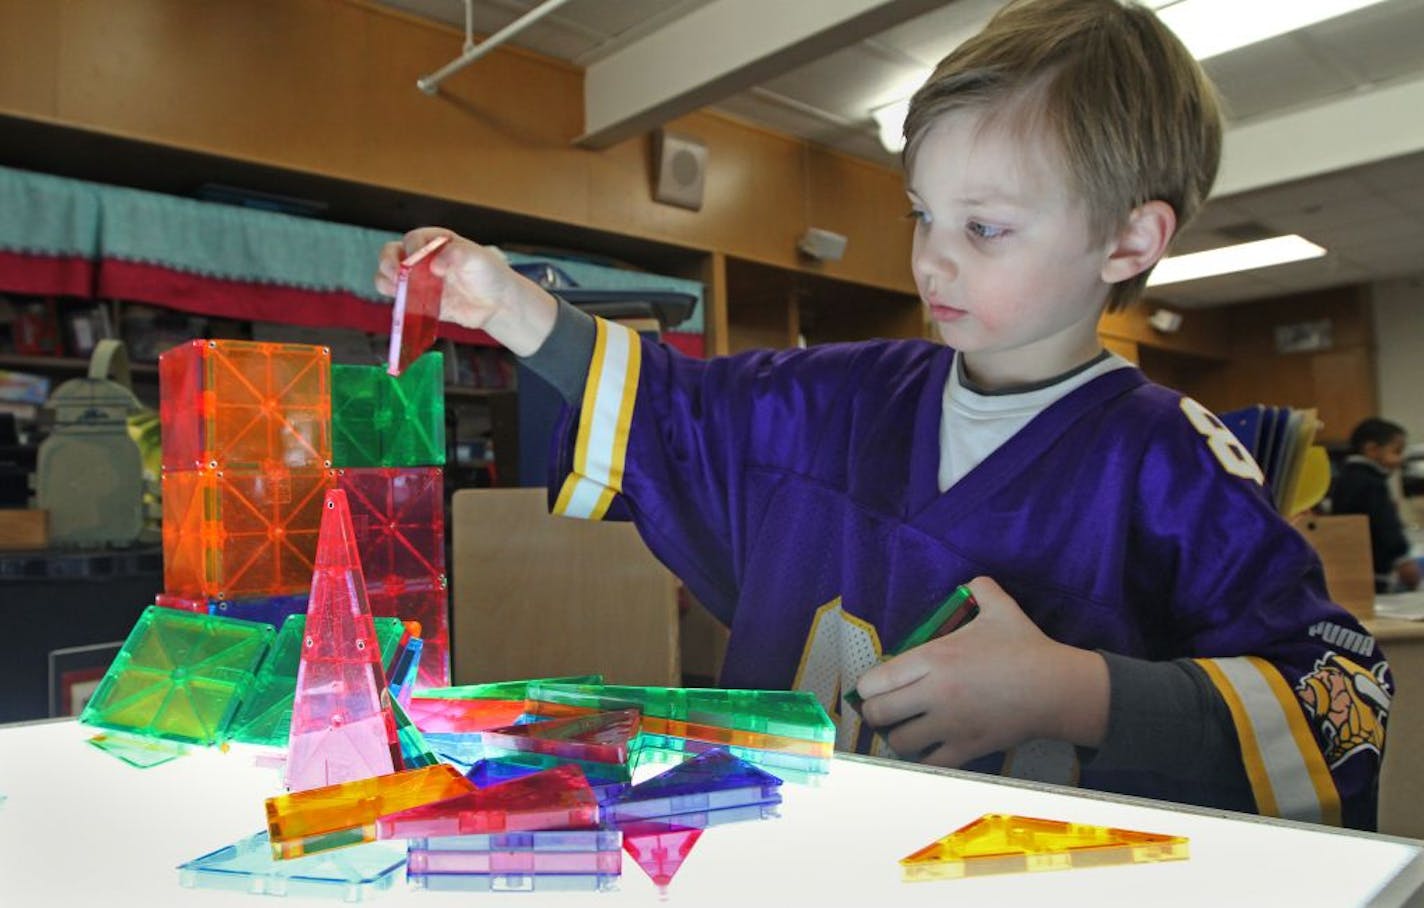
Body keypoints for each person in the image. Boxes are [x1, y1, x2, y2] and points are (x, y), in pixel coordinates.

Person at [376, 0, 1390, 830]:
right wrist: (506, 303)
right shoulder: (840, 391)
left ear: (1127, 239)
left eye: (983, 226)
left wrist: (1073, 691)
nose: (929, 258)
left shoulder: (1169, 457)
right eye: (921, 213)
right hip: (791, 859)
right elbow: (673, 410)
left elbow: (1335, 693)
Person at [1332, 418, 1421, 593]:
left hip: (1352, 570)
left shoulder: (1344, 477)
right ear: (1371, 449)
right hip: (1377, 572)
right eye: (1396, 451)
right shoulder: (1372, 482)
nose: (1400, 459)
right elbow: (1385, 524)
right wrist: (1402, 558)